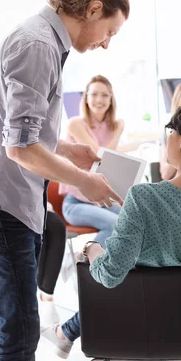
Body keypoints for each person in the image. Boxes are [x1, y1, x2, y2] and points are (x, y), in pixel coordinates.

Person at [0, 0, 129, 361]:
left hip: (8, 202)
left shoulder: (42, 40)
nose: (106, 44)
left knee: (9, 325)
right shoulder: (37, 46)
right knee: (19, 330)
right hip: (1, 204)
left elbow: (20, 132)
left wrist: (67, 149)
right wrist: (86, 181)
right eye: (110, 32)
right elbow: (19, 149)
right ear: (94, 9)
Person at [41, 99, 181, 358]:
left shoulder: (143, 198)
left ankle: (64, 333)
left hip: (133, 331)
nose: (169, 138)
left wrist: (92, 249)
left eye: (171, 132)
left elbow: (110, 275)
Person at [60, 75, 125, 247]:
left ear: (111, 99)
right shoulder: (75, 124)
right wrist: (119, 131)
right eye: (94, 94)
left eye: (105, 95)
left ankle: (112, 264)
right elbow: (101, 156)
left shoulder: (112, 126)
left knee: (132, 220)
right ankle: (87, 261)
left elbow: (113, 161)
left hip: (101, 201)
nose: (99, 100)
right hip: (75, 204)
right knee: (116, 224)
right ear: (86, 98)